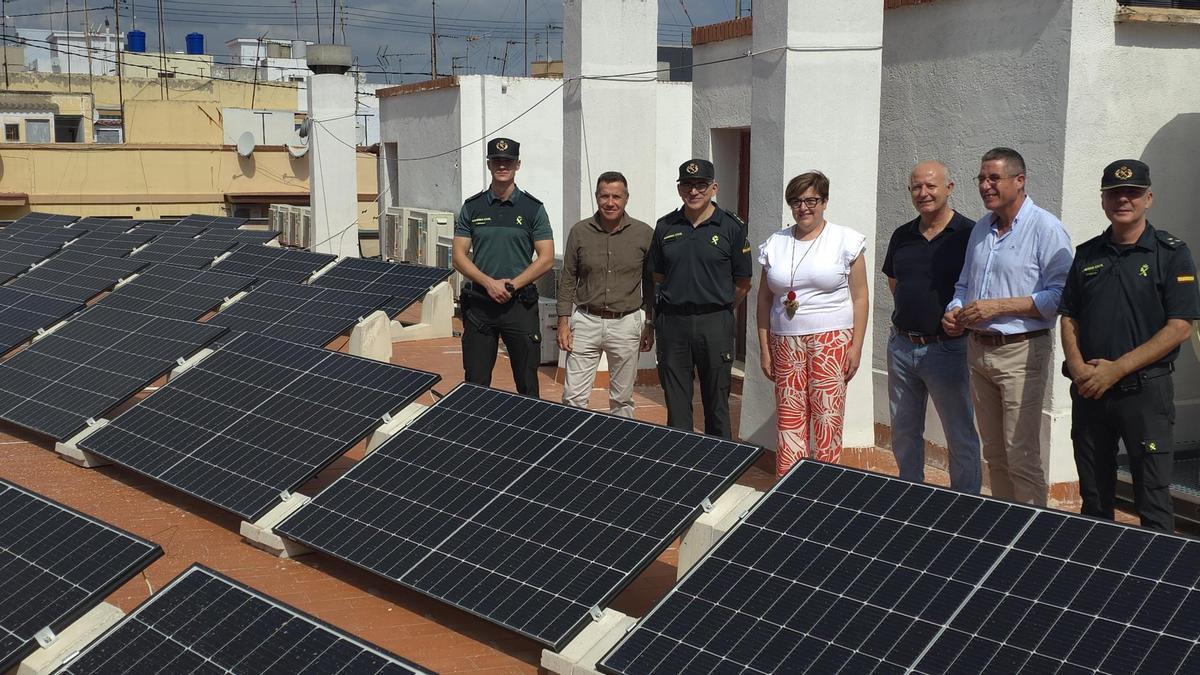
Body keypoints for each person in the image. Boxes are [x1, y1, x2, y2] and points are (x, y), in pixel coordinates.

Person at [1060, 160, 1199, 532]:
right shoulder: (1087, 254)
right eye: (1114, 193)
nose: (1124, 199)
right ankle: (1096, 578)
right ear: (1104, 200)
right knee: (1094, 498)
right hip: (1090, 392)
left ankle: (1160, 589)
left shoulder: (1171, 254)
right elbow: (1068, 316)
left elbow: (1180, 327)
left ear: (1148, 198)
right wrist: (1077, 367)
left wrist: (1117, 369)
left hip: (1145, 394)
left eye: (1133, 192)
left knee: (1152, 501)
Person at [943, 147, 1073, 506]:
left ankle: (1032, 538)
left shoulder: (1046, 228)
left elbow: (1061, 296)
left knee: (1021, 454)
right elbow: (963, 286)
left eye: (994, 178)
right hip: (978, 350)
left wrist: (999, 306)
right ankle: (1004, 531)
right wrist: (955, 311)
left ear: (1020, 181)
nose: (985, 185)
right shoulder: (982, 229)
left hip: (1021, 352)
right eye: (982, 179)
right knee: (995, 456)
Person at [756, 170, 868, 476]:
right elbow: (764, 300)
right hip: (785, 342)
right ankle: (788, 489)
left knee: (827, 418)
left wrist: (856, 348)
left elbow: (860, 297)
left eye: (811, 200)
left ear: (825, 201)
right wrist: (765, 350)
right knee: (790, 421)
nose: (803, 207)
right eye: (796, 201)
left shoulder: (846, 240)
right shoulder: (775, 243)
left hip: (831, 341)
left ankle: (824, 489)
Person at [883, 161, 982, 493]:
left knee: (959, 434)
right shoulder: (902, 235)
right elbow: (895, 283)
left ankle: (965, 505)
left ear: (949, 188)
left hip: (948, 350)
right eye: (916, 187)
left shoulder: (970, 235)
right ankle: (912, 495)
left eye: (931, 186)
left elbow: (981, 287)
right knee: (903, 430)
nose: (923, 193)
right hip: (901, 347)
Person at [651, 159, 752, 438]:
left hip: (714, 323)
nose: (694, 191)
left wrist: (719, 307)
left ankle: (718, 467)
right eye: (687, 185)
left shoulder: (731, 227)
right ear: (679, 188)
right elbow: (657, 278)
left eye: (701, 185)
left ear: (714, 187)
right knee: (676, 403)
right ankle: (682, 468)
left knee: (717, 402)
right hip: (673, 323)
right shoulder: (665, 226)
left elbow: (743, 282)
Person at [452, 137, 554, 396]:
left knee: (527, 382)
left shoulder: (533, 209)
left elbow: (546, 258)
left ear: (517, 164)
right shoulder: (472, 207)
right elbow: (459, 256)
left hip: (519, 304)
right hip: (480, 306)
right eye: (497, 161)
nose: (502, 166)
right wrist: (489, 283)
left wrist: (511, 285)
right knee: (475, 382)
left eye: (507, 161)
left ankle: (531, 435)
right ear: (489, 164)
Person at [556, 172, 655, 417]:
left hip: (626, 323)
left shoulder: (644, 234)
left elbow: (651, 284)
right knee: (573, 397)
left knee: (622, 399)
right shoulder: (579, 232)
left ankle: (620, 452)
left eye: (616, 197)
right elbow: (568, 278)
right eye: (604, 196)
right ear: (597, 197)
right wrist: (563, 322)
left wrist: (650, 325)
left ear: (626, 198)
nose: (610, 202)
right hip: (586, 321)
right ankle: (572, 449)